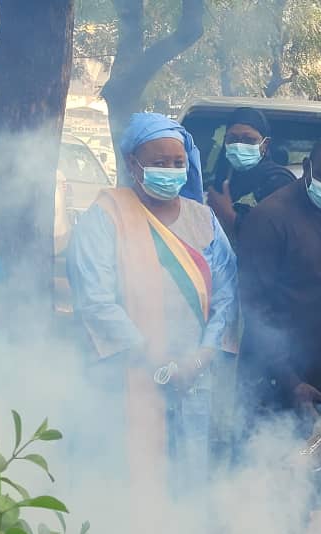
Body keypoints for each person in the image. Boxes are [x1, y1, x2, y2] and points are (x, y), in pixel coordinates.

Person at [66, 112, 238, 497]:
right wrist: (157, 362)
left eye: (177, 163)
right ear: (133, 164)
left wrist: (199, 358)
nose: (171, 171)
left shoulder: (203, 219)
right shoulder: (105, 218)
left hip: (194, 377)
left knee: (188, 476)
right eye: (160, 163)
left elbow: (227, 296)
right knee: (129, 477)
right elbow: (95, 300)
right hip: (130, 374)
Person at [237, 132, 321, 425]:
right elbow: (255, 311)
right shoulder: (268, 219)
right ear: (307, 166)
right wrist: (291, 382)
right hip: (275, 382)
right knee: (270, 466)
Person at [204, 107, 295, 243]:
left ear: (265, 144)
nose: (239, 145)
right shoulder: (222, 177)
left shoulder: (279, 181)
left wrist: (228, 215)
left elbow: (280, 237)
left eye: (249, 140)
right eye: (232, 139)